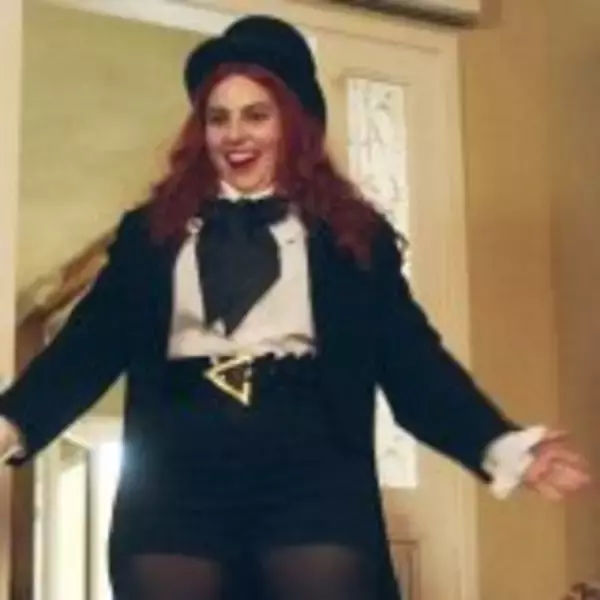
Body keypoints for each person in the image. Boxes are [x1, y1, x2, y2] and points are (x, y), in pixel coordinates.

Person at [0, 14, 590, 600]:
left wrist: (504, 446)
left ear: (295, 122)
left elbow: (413, 362)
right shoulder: (150, 232)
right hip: (174, 476)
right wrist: (11, 423)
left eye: (257, 115)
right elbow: (88, 345)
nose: (235, 134)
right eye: (218, 118)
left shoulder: (353, 237)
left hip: (312, 473)